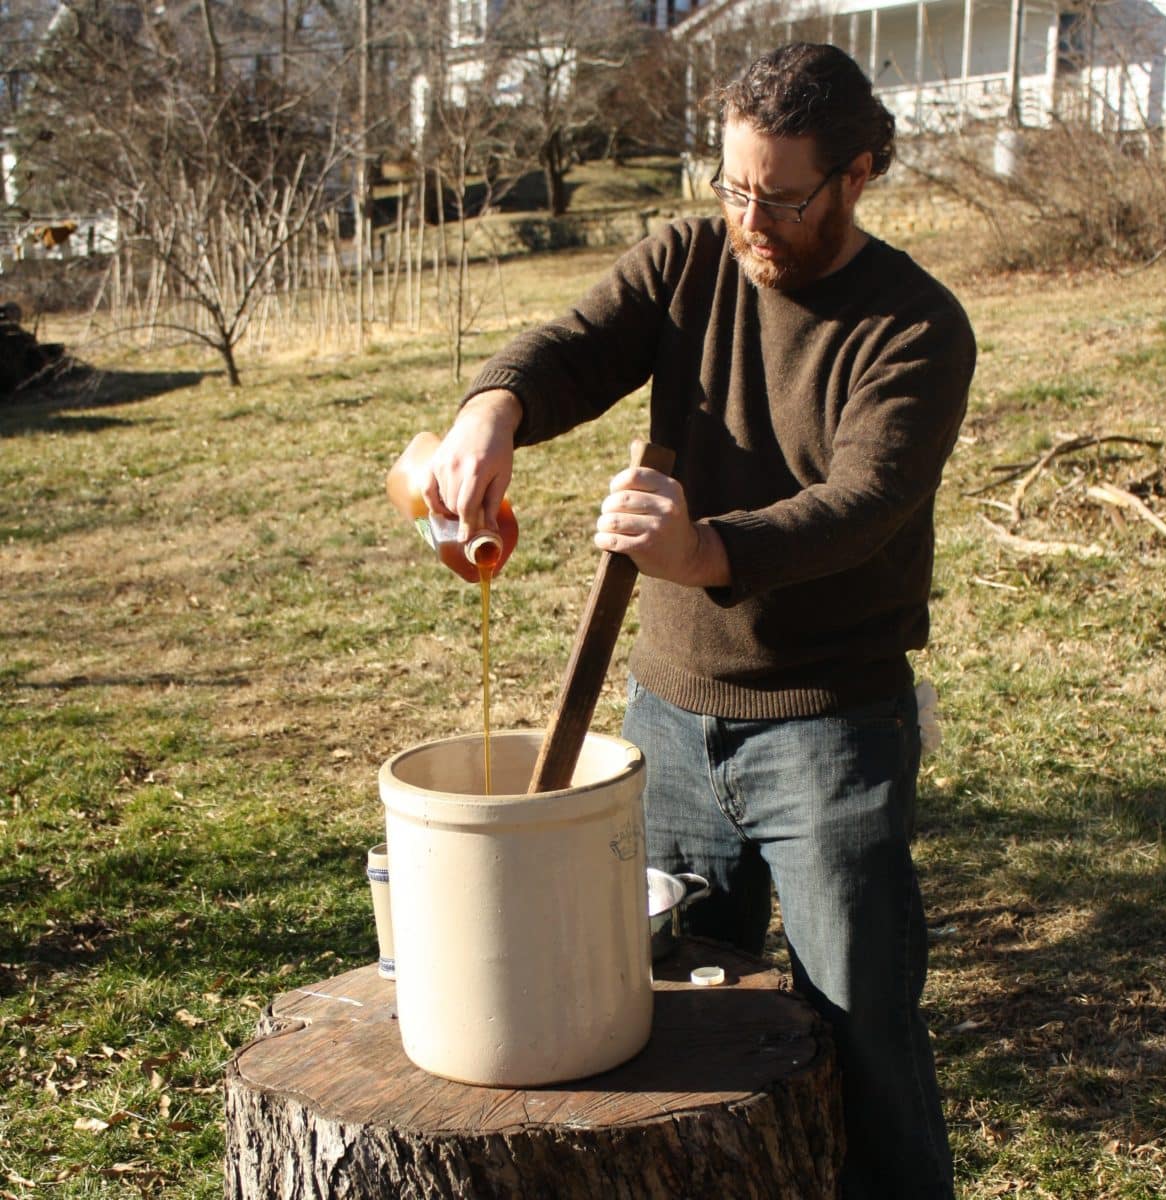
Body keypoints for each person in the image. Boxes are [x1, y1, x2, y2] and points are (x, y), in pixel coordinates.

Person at [409, 42, 975, 1199]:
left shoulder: (913, 325)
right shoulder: (688, 257)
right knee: (661, 1018)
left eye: (781, 195)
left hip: (826, 731)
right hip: (664, 725)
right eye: (730, 186)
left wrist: (703, 550)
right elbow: (574, 344)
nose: (749, 219)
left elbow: (859, 506)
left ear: (858, 173)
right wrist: (492, 411)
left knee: (860, 1027)